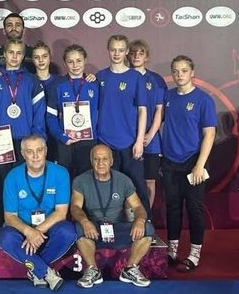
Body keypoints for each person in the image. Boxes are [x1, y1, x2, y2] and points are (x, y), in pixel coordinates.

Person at [0, 135, 76, 291]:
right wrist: (28, 231)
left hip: (49, 227)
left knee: (68, 231)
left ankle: (36, 270)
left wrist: (36, 232)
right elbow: (10, 216)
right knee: (6, 237)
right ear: (23, 154)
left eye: (39, 150)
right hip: (22, 228)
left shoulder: (61, 173)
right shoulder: (12, 177)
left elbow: (61, 213)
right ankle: (45, 272)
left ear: (46, 151)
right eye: (30, 151)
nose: (35, 156)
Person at [70, 144, 154, 288]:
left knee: (148, 228)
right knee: (79, 228)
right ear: (91, 161)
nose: (100, 163)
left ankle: (130, 269)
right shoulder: (81, 181)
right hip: (94, 230)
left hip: (117, 227)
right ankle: (93, 270)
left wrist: (140, 220)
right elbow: (75, 207)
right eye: (96, 159)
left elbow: (138, 207)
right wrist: (85, 222)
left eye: (104, 159)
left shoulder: (123, 180)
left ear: (111, 161)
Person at [161, 55, 217, 273]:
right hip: (170, 161)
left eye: (184, 70)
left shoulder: (204, 100)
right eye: (175, 71)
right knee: (172, 207)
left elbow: (209, 134)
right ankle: (172, 251)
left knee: (194, 208)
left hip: (193, 161)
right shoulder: (167, 96)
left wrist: (200, 165)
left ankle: (194, 254)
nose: (179, 75)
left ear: (192, 73)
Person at [0, 39, 46, 222]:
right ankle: (4, 223)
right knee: (2, 183)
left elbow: (39, 111)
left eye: (19, 53)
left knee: (25, 182)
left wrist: (37, 137)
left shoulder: (31, 80)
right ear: (4, 54)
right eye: (11, 52)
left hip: (24, 140)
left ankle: (26, 221)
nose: (14, 57)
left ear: (24, 56)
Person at [96, 35, 150, 218]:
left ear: (126, 51)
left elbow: (142, 110)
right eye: (113, 50)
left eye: (120, 50)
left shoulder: (136, 77)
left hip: (130, 143)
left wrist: (139, 141)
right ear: (108, 50)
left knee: (138, 187)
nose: (116, 54)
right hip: (105, 143)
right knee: (109, 190)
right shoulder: (99, 77)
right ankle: (112, 228)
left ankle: (146, 225)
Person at [47, 44, 99, 179]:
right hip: (66, 141)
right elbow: (51, 117)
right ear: (65, 63)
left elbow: (102, 113)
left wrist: (95, 136)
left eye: (79, 60)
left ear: (85, 60)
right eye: (70, 61)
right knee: (64, 177)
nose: (75, 65)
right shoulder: (57, 85)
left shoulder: (94, 84)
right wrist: (62, 137)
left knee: (86, 178)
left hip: (88, 140)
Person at [128, 39, 167, 210]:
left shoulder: (156, 80)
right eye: (133, 53)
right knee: (128, 181)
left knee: (150, 180)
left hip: (151, 140)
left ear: (147, 57)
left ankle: (147, 217)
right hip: (128, 137)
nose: (136, 56)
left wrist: (150, 135)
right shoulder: (123, 77)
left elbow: (160, 110)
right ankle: (131, 218)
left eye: (141, 53)